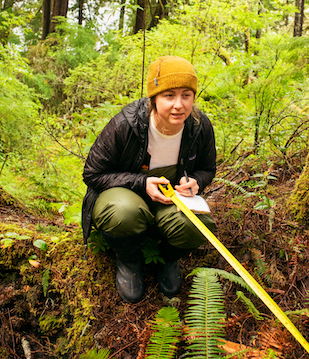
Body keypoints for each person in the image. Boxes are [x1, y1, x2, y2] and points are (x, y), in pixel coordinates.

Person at [82, 56, 216, 303]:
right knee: (124, 213)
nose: (179, 105)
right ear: (154, 98)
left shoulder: (199, 126)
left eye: (186, 95)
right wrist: (141, 183)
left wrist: (196, 182)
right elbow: (92, 173)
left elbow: (208, 168)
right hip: (124, 193)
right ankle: (129, 260)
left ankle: (167, 259)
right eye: (169, 95)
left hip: (169, 198)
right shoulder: (126, 124)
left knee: (199, 226)